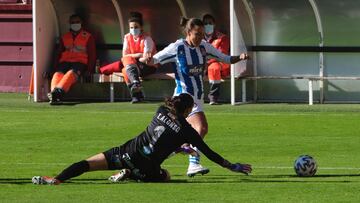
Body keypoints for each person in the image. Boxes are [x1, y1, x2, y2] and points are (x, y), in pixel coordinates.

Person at [32, 93, 252, 185]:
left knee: (88, 164)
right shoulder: (188, 131)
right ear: (187, 111)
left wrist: (180, 148)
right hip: (147, 166)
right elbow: (210, 153)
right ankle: (132, 174)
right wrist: (233, 166)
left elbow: (163, 136)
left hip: (126, 152)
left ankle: (57, 179)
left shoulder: (160, 110)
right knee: (165, 176)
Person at [139, 17, 250, 177]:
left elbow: (224, 58)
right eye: (197, 34)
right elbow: (153, 60)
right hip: (183, 100)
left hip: (197, 99)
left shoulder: (204, 47)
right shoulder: (177, 47)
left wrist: (239, 57)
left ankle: (149, 161)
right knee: (201, 128)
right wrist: (147, 59)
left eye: (202, 34)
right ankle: (192, 163)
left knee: (174, 137)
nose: (200, 38)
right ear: (188, 32)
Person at [100, 11, 157, 103]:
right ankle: (136, 90)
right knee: (125, 67)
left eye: (136, 27)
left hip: (148, 65)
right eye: (131, 27)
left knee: (126, 67)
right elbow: (124, 55)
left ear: (141, 27)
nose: (133, 29)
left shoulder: (147, 39)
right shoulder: (127, 37)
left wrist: (136, 57)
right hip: (134, 64)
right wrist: (138, 55)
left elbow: (146, 58)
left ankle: (136, 91)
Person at [47, 14, 96, 105]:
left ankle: (57, 93)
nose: (75, 24)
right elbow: (58, 53)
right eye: (73, 22)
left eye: (77, 22)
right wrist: (54, 68)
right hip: (64, 61)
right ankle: (54, 93)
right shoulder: (65, 37)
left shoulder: (88, 36)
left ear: (82, 23)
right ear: (69, 24)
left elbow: (92, 54)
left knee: (70, 74)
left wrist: (89, 69)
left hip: (80, 62)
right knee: (57, 74)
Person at [203, 14, 230, 105]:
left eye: (210, 23)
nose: (208, 25)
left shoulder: (222, 37)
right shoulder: (198, 37)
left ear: (214, 24)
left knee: (213, 68)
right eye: (205, 23)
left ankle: (213, 97)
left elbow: (221, 55)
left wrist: (206, 63)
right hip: (203, 63)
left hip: (221, 62)